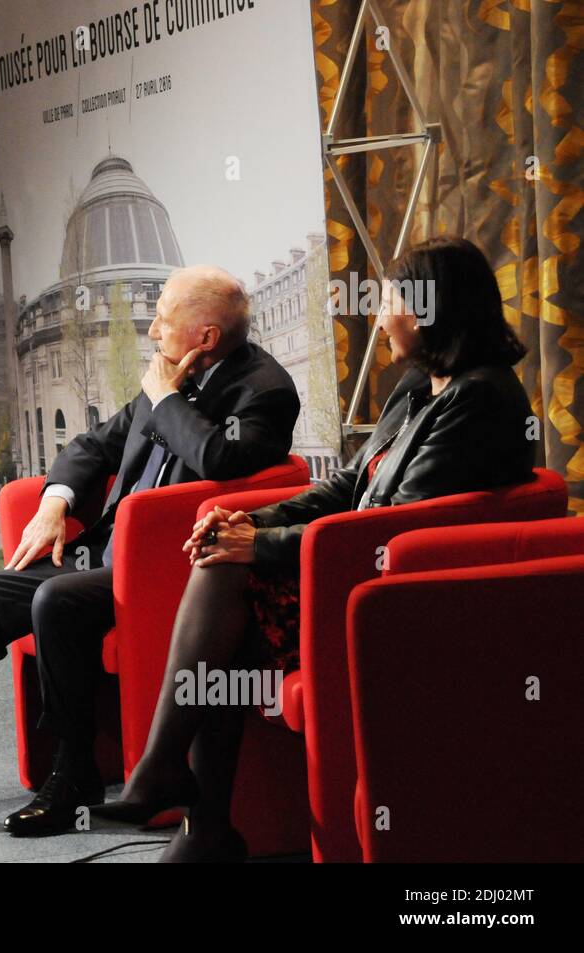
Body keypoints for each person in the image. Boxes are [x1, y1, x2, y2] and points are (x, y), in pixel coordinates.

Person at [95, 237, 535, 861]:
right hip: (345, 571)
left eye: (390, 303)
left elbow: (389, 531)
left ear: (431, 309)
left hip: (391, 599)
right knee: (228, 597)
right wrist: (246, 518)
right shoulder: (418, 386)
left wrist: (259, 543)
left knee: (224, 577)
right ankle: (204, 825)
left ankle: (175, 783)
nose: (379, 319)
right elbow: (350, 487)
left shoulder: (481, 398)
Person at [0, 266, 301, 834]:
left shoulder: (263, 389)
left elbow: (218, 458)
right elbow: (94, 445)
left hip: (173, 569)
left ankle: (72, 775)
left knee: (55, 601)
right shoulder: (166, 375)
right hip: (104, 554)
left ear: (207, 337)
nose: (152, 332)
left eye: (163, 319)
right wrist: (56, 501)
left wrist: (166, 399)